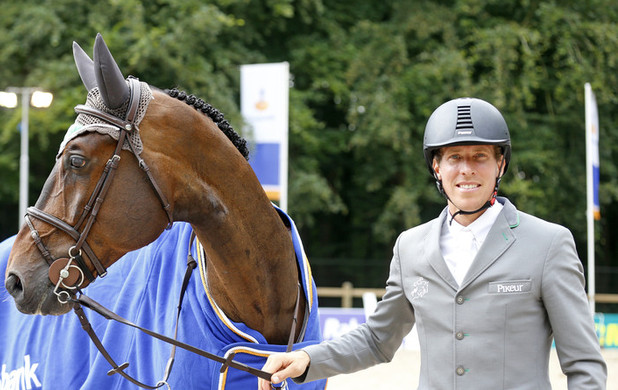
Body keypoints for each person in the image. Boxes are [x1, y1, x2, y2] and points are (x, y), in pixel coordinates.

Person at [259, 97, 607, 389]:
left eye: (479, 156)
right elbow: (378, 339)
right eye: (454, 157)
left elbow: (584, 364)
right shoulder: (410, 247)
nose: (466, 169)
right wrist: (307, 358)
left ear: (500, 164)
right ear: (437, 167)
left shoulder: (548, 244)